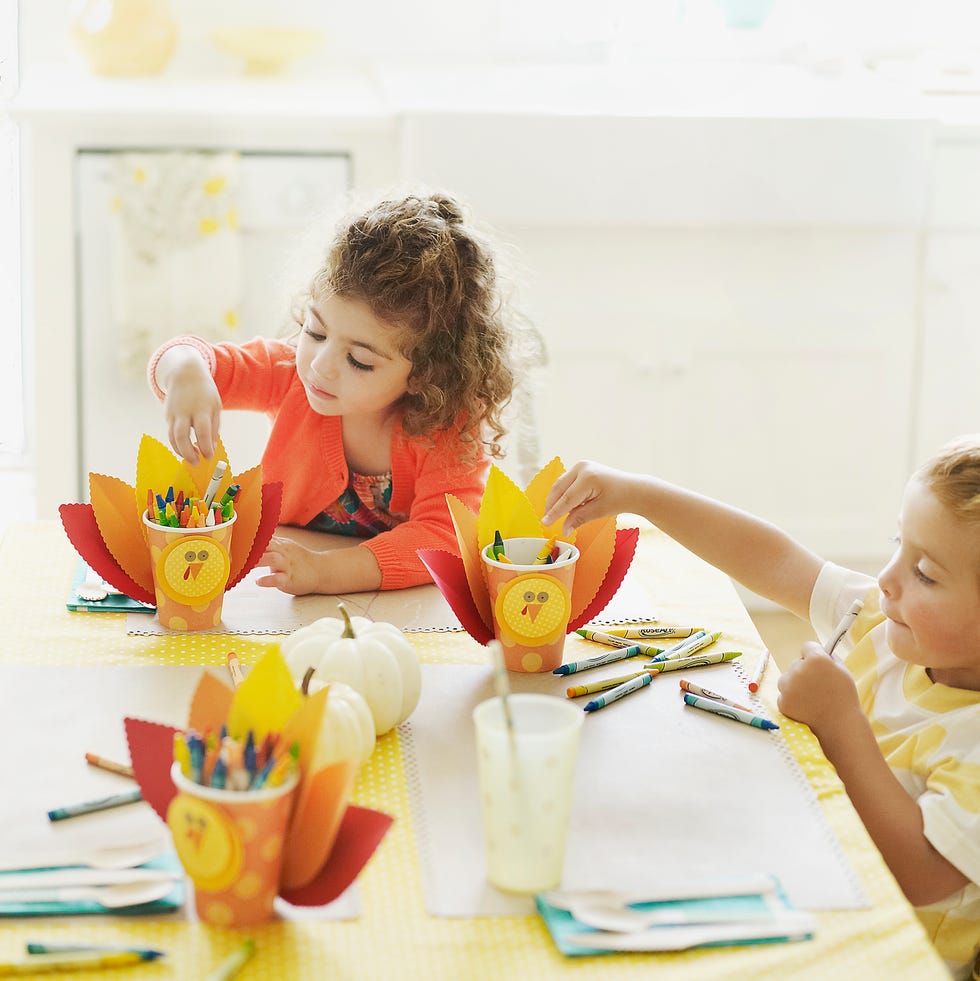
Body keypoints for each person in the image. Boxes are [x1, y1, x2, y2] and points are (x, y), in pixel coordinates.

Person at [542, 440, 980, 980]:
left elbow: (922, 874)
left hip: (879, 953)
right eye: (898, 544)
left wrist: (840, 725)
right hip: (804, 868)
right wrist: (640, 494)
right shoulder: (883, 625)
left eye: (926, 574)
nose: (887, 578)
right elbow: (774, 560)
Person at [148, 190, 519, 595]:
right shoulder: (289, 371)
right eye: (316, 331)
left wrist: (325, 573)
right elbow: (196, 358)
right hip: (278, 596)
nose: (321, 365)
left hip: (393, 612)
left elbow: (444, 537)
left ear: (426, 373)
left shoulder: (449, 423)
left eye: (359, 360)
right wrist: (185, 369)